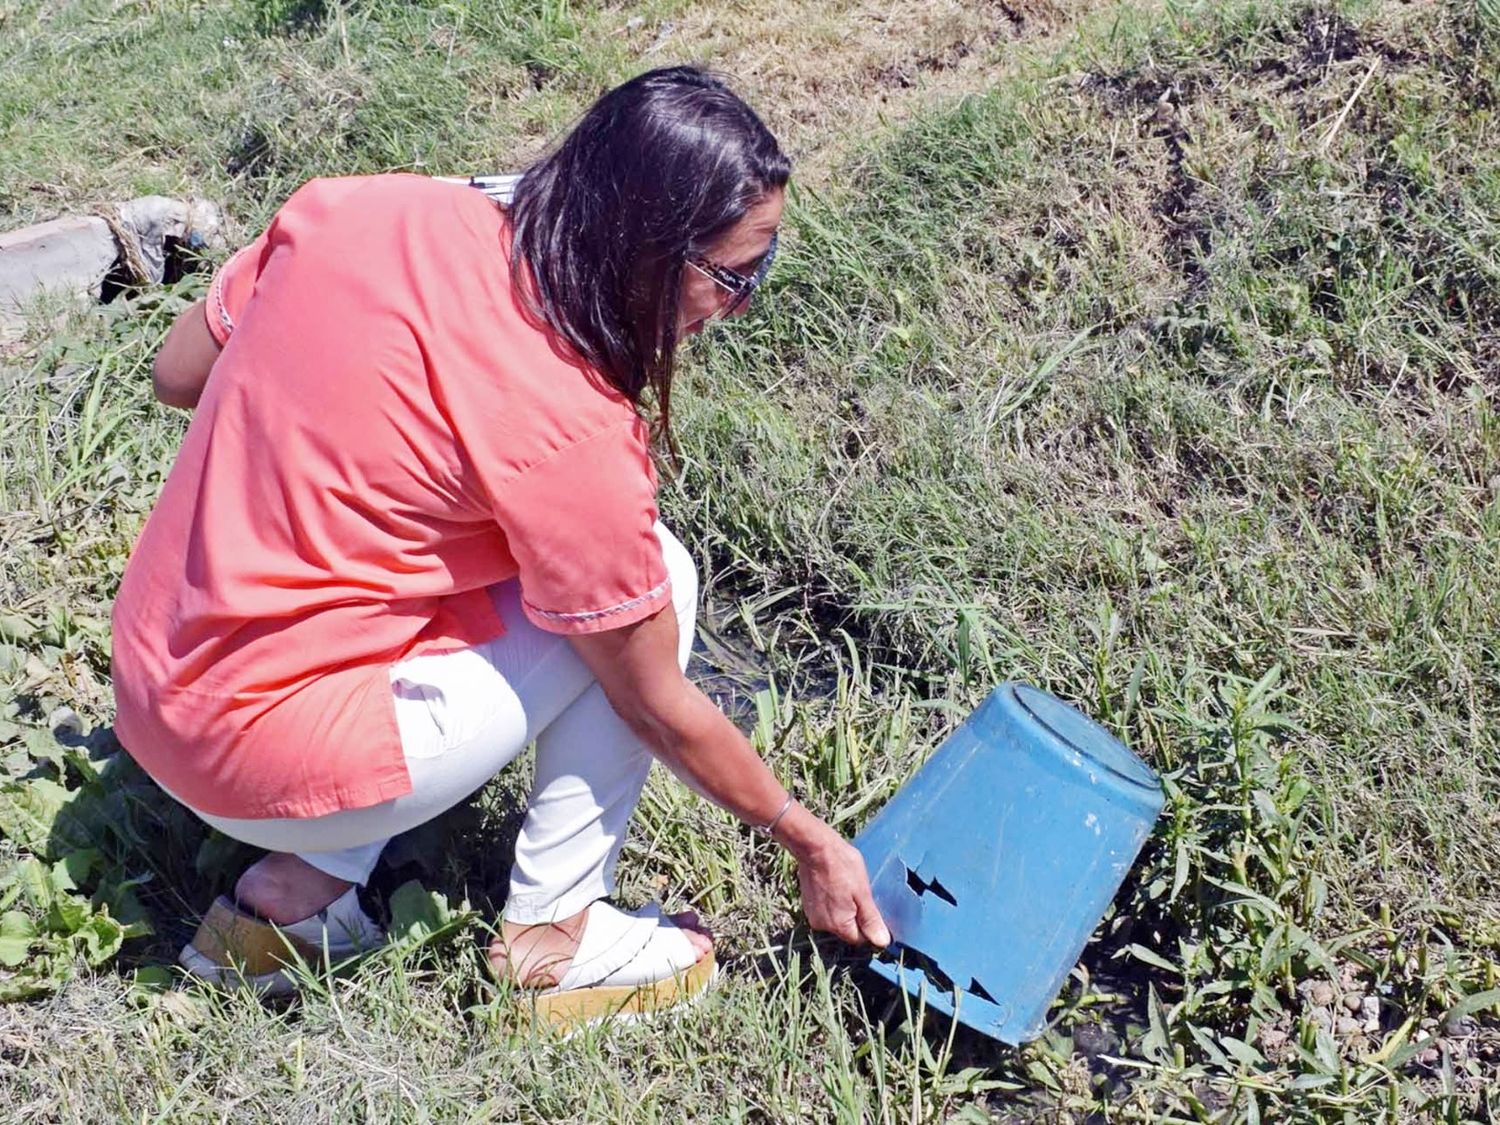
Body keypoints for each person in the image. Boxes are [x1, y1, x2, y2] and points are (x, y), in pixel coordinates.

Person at [110, 65, 890, 1028]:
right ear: (645, 249)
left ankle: (287, 906)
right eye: (735, 275)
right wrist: (809, 838)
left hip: (151, 685)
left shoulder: (361, 207)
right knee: (660, 579)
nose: (740, 305)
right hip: (258, 755)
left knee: (449, 559)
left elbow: (178, 373)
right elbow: (653, 703)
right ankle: (555, 938)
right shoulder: (570, 429)